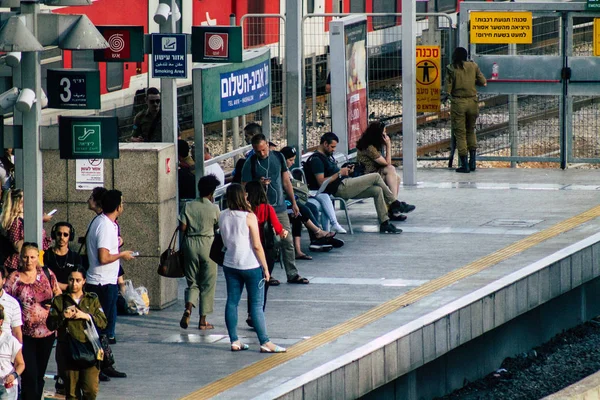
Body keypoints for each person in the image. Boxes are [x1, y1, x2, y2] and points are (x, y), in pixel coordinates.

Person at [219, 184, 286, 353]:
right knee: (256, 304)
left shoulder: (222, 215)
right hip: (250, 264)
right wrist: (265, 267)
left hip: (230, 263)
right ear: (242, 197)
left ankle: (234, 340)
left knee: (232, 302)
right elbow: (256, 245)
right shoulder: (249, 217)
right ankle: (265, 342)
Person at [304, 132, 415, 234]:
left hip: (344, 183)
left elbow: (334, 173)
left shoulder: (326, 156)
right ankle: (394, 203)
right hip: (340, 188)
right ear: (325, 144)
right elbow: (321, 182)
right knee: (376, 177)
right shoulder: (317, 160)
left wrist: (346, 171)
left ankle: (384, 223)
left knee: (377, 190)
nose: (334, 149)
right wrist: (339, 173)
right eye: (332, 147)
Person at [241, 131, 309, 284]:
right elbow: (244, 187)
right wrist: (258, 183)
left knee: (287, 240)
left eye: (264, 149)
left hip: (279, 207)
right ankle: (266, 273)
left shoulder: (278, 157)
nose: (262, 153)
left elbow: (286, 181)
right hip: (260, 209)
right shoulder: (250, 163)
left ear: (268, 145)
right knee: (266, 243)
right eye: (258, 151)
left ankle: (292, 273)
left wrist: (294, 202)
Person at [85, 190, 134, 379]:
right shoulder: (105, 225)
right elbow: (103, 257)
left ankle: (105, 363)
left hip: (107, 282)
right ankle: (95, 367)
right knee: (99, 328)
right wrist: (122, 254)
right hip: (101, 284)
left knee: (103, 329)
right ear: (117, 206)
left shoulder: (107, 224)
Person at [4, 242, 61, 400]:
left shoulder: (47, 274)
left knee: (39, 375)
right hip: (24, 333)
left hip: (47, 331)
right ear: (20, 258)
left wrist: (53, 303)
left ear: (38, 258)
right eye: (25, 257)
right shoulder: (14, 278)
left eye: (32, 257)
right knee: (29, 373)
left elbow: (59, 295)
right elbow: (5, 300)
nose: (29, 261)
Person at [47, 267, 107, 400]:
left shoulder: (92, 299)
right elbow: (50, 325)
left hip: (89, 349)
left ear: (84, 281)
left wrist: (86, 316)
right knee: (72, 393)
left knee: (90, 390)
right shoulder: (60, 300)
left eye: (78, 280)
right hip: (68, 351)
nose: (74, 284)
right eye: (71, 280)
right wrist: (63, 315)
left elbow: (103, 322)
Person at [178, 175, 221, 330]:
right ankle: (203, 321)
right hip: (208, 245)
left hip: (190, 244)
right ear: (212, 192)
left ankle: (188, 308)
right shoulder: (214, 208)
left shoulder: (189, 206)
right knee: (208, 283)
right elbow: (218, 226)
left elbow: (182, 228)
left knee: (192, 282)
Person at [244, 181, 287, 321]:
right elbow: (278, 228)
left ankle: (250, 313)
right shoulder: (268, 209)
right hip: (266, 250)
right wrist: (284, 232)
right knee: (264, 283)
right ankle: (258, 313)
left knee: (251, 283)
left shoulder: (246, 210)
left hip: (249, 249)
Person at [445, 47, 487, 173]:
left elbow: (447, 89)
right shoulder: (473, 66)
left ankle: (465, 165)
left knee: (460, 133)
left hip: (458, 103)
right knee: (471, 131)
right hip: (473, 102)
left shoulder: (451, 68)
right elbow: (483, 82)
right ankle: (472, 162)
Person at [0, 189, 53, 272]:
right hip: (21, 264)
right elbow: (17, 246)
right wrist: (37, 223)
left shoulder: (24, 220)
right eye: (23, 202)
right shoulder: (16, 222)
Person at [356, 121, 402, 200]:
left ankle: (392, 204)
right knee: (391, 169)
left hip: (373, 173)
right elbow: (388, 164)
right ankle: (393, 202)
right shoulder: (369, 148)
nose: (385, 135)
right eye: (383, 132)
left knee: (397, 178)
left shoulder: (371, 144)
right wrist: (388, 145)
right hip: (367, 176)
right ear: (377, 134)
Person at [44, 222, 82, 292]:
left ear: (70, 237)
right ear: (54, 235)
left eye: (65, 234)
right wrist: (65, 287)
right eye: (59, 234)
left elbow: (79, 279)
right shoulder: (46, 255)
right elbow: (43, 278)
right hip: (50, 294)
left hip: (69, 296)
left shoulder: (75, 257)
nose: (62, 237)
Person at [0, 303, 25, 400]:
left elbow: (21, 364)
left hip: (6, 386)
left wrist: (13, 376)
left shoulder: (10, 340)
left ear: (1, 322)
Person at [0, 268, 22, 343]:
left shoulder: (12, 303)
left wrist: (18, 353)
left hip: (5, 350)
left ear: (4, 281)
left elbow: (16, 332)